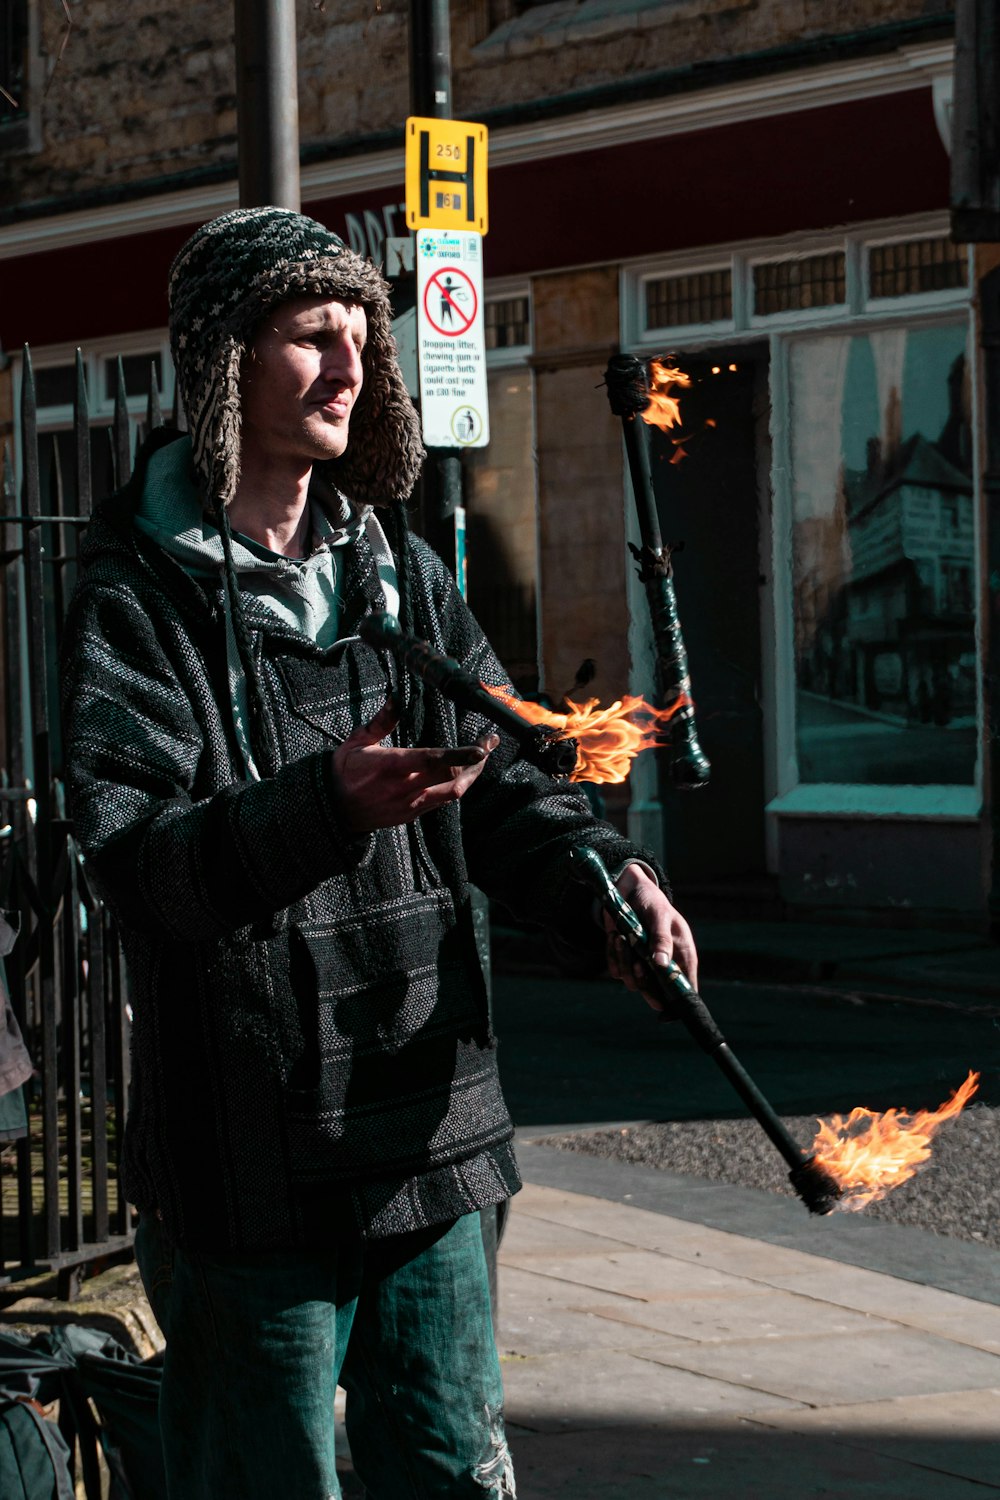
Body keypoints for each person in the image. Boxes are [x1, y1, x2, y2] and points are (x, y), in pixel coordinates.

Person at [60, 207, 697, 1500]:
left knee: (454, 1474)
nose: (353, 368)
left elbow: (512, 785)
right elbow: (142, 868)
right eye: (313, 338)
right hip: (248, 1166)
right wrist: (329, 804)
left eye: (363, 337)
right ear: (223, 363)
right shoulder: (136, 598)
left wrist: (604, 890)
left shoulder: (396, 571)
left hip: (428, 1141)